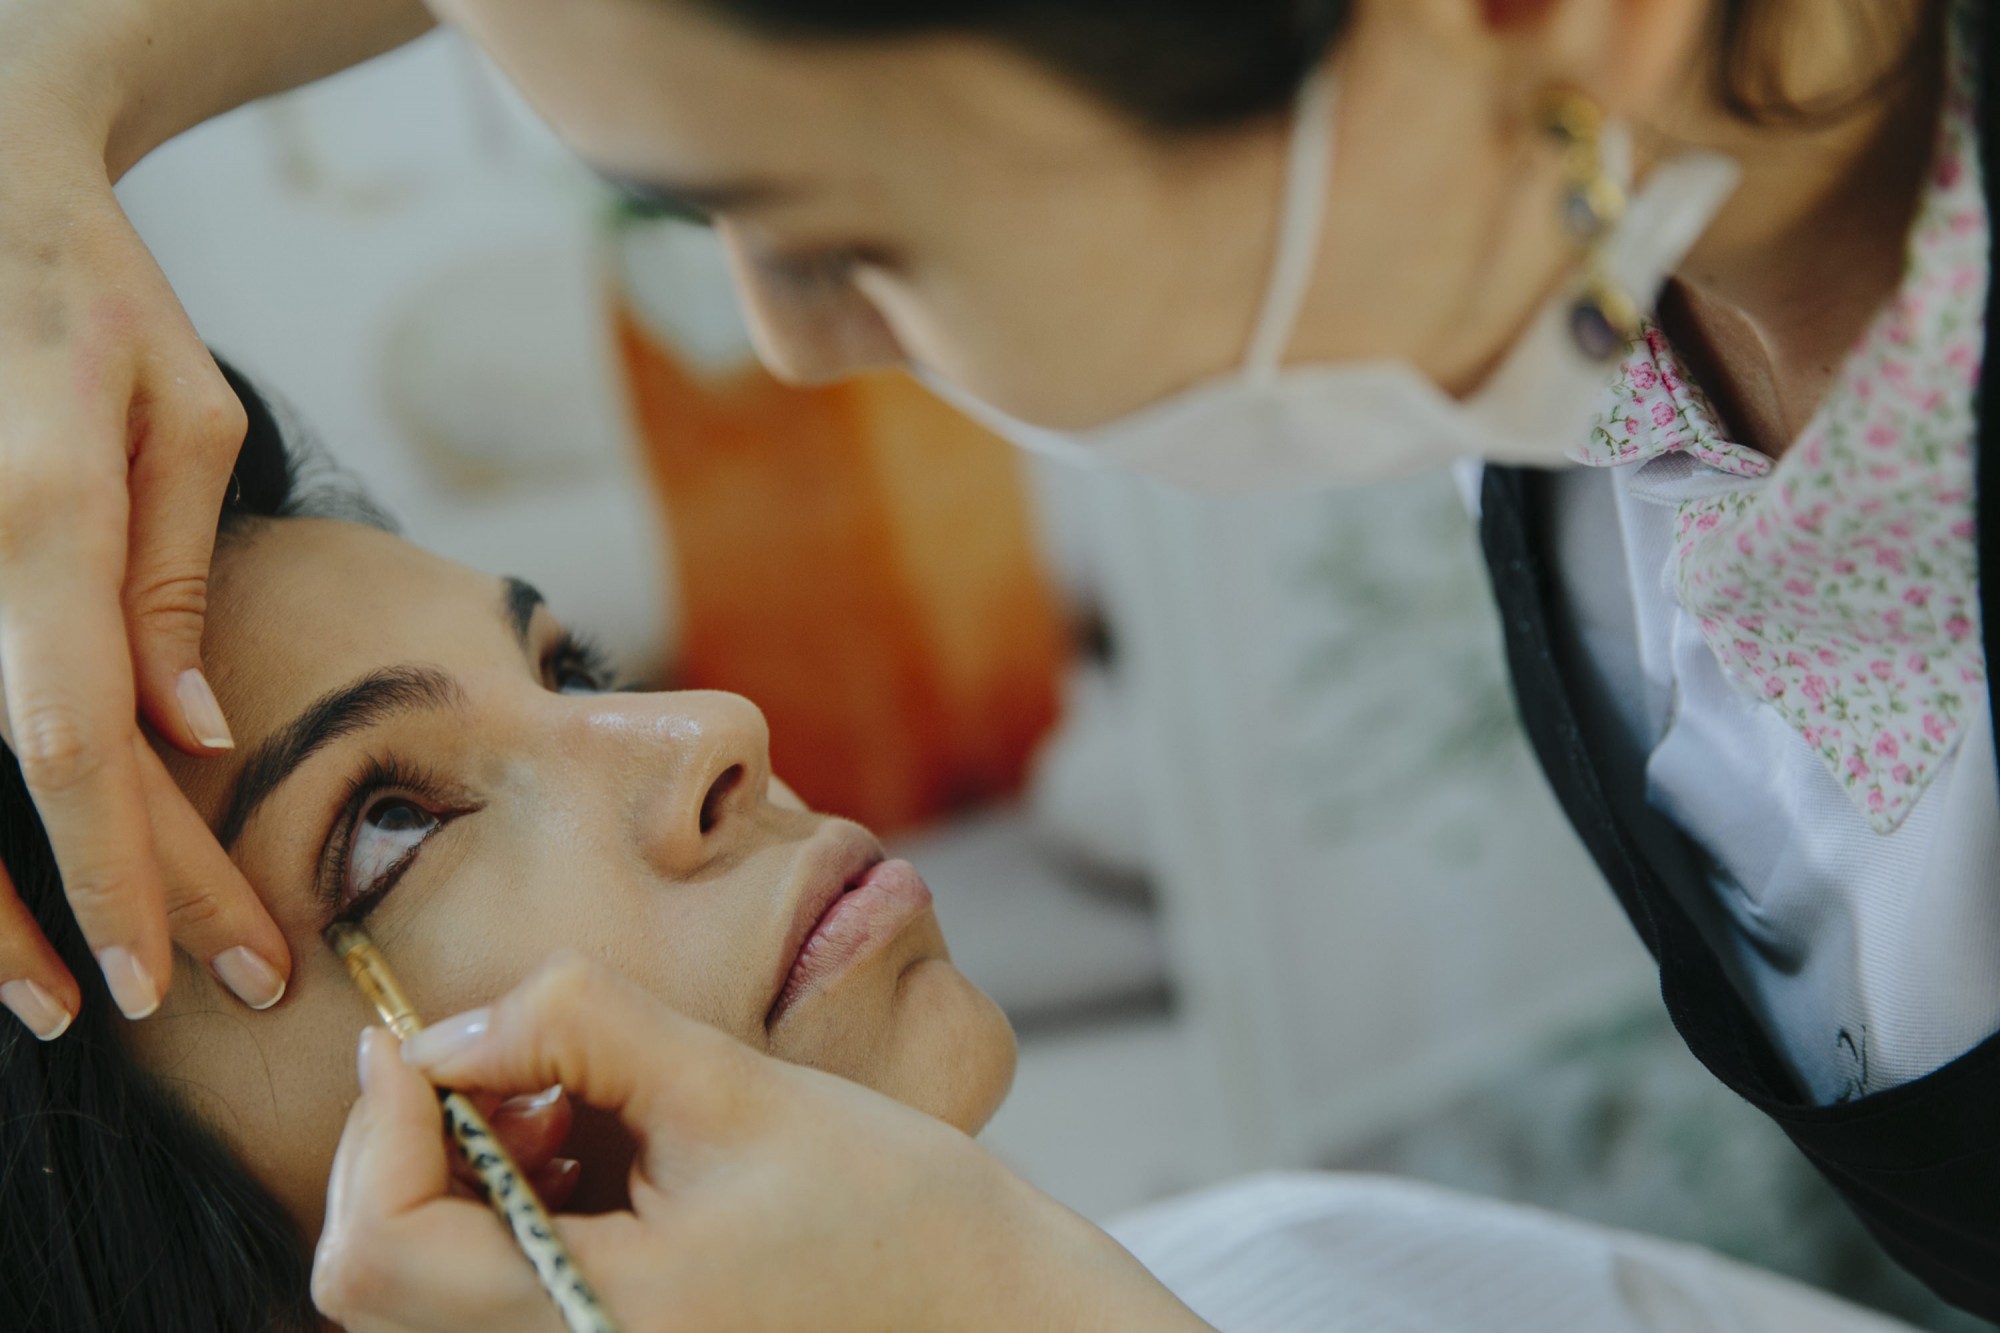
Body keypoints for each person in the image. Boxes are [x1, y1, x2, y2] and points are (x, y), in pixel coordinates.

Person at [0, 0, 1993, 1322]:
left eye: (830, 220)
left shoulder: (1293, 1277)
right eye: (380, 837)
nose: (713, 726)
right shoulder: (1613, 351)